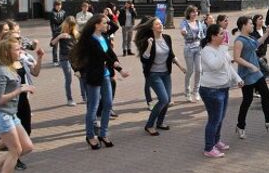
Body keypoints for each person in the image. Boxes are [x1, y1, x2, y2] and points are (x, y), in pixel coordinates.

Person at [71, 14, 130, 150]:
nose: (107, 25)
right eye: (104, 23)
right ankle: (90, 135)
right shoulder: (89, 40)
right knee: (93, 107)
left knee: (108, 104)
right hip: (93, 76)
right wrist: (119, 69)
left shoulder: (103, 37)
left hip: (105, 75)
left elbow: (110, 53)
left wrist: (117, 64)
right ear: (96, 25)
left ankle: (103, 134)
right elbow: (103, 56)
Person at [0, 36, 35, 173]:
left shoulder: (12, 66)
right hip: (1, 115)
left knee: (27, 147)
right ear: (7, 53)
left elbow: (32, 69)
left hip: (11, 115)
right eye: (17, 49)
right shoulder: (1, 71)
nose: (20, 51)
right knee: (15, 151)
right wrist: (19, 90)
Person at [199, 24, 244, 158]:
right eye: (221, 34)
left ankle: (216, 141)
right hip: (211, 90)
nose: (224, 36)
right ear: (213, 36)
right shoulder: (207, 51)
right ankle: (208, 148)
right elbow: (214, 66)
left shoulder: (221, 49)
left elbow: (228, 66)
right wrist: (223, 49)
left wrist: (238, 79)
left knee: (220, 118)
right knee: (214, 119)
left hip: (223, 88)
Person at [136, 17, 186, 136]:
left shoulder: (167, 38)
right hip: (153, 74)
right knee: (163, 99)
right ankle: (149, 125)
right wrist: (149, 45)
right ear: (152, 27)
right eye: (157, 24)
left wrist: (181, 67)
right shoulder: (148, 40)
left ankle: (160, 122)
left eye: (160, 23)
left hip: (165, 73)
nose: (160, 25)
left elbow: (171, 55)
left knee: (167, 100)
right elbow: (144, 58)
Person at [232, 16, 269, 138]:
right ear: (243, 25)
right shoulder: (239, 41)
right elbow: (237, 58)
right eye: (250, 24)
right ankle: (240, 126)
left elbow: (257, 44)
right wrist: (250, 66)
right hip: (247, 75)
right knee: (247, 101)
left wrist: (267, 33)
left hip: (257, 73)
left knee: (266, 93)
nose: (252, 25)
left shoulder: (250, 37)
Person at [50, 16, 81, 105]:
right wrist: (59, 37)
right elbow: (52, 44)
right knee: (68, 79)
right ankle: (69, 99)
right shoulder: (59, 31)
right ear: (66, 24)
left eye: (72, 26)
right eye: (69, 25)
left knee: (80, 76)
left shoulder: (75, 33)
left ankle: (84, 96)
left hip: (75, 58)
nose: (71, 27)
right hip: (64, 58)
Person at [181, 6, 205, 102]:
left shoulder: (199, 23)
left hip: (198, 48)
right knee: (190, 71)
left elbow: (202, 35)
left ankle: (196, 91)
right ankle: (187, 92)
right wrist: (183, 32)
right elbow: (183, 30)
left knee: (199, 70)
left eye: (196, 12)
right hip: (189, 49)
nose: (195, 14)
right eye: (192, 12)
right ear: (188, 13)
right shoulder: (185, 22)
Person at [49, 0, 67, 66]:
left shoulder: (63, 12)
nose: (58, 6)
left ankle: (61, 60)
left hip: (62, 31)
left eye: (60, 5)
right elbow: (54, 22)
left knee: (62, 46)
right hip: (55, 31)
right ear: (55, 6)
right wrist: (54, 31)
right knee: (55, 46)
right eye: (57, 5)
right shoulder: (52, 13)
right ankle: (55, 60)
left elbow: (65, 21)